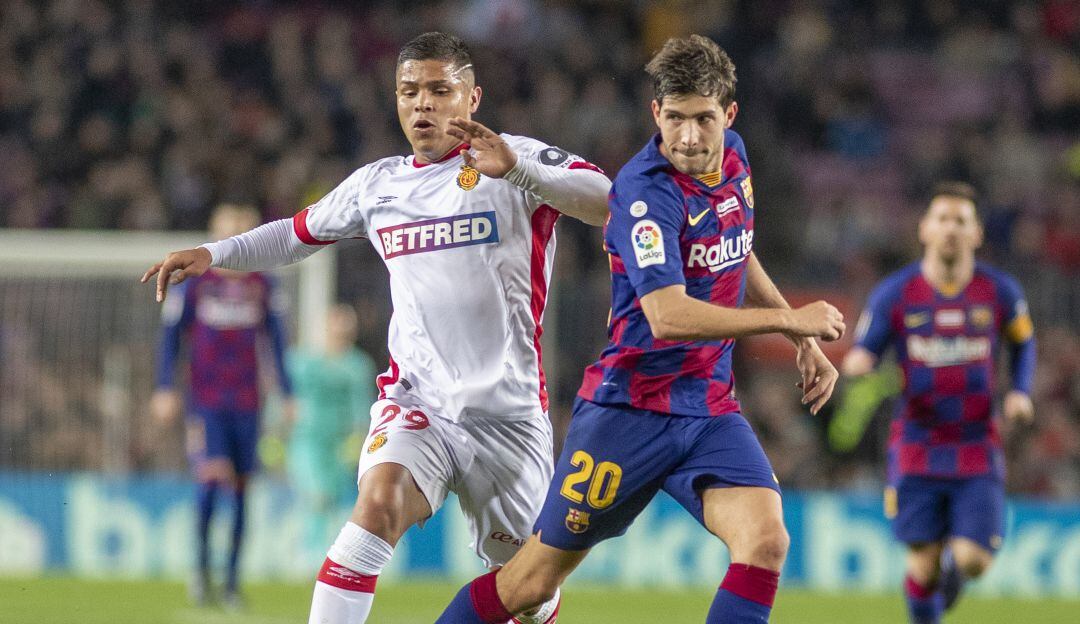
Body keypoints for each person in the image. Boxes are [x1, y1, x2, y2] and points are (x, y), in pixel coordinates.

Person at [142, 31, 610, 624]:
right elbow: (293, 233)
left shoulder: (513, 159)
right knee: (378, 502)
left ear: (473, 97)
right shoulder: (378, 185)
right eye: (409, 91)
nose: (423, 104)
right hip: (419, 402)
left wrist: (518, 170)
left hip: (509, 415)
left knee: (528, 594)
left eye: (441, 90)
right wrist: (215, 252)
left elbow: (610, 202)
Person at [436, 34, 845, 624]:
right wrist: (787, 318)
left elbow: (737, 249)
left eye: (703, 119)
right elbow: (668, 315)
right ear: (656, 112)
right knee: (530, 583)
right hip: (628, 411)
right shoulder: (645, 193)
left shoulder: (735, 160)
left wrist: (802, 339)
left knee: (766, 539)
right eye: (674, 118)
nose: (687, 136)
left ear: (728, 116)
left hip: (707, 408)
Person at [840, 181, 1036, 624]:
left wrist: (1020, 391)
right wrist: (857, 364)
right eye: (943, 218)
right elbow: (865, 348)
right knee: (923, 566)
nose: (951, 228)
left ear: (977, 234)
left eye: (961, 221)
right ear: (925, 229)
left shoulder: (1000, 292)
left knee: (972, 561)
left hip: (976, 443)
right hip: (916, 443)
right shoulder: (895, 293)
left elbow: (1024, 343)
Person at [152, 202, 294, 608]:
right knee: (210, 482)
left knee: (243, 491)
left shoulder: (264, 285)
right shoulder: (194, 282)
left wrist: (287, 392)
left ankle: (231, 582)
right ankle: (200, 572)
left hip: (248, 401)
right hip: (207, 401)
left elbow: (277, 341)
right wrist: (164, 386)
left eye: (241, 230)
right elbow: (170, 336)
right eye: (226, 230)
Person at [287, 304, 377, 566]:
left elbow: (362, 407)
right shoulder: (303, 362)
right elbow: (285, 400)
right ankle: (309, 556)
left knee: (331, 500)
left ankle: (323, 554)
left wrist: (360, 440)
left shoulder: (358, 365)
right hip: (307, 439)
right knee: (317, 494)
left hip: (340, 442)